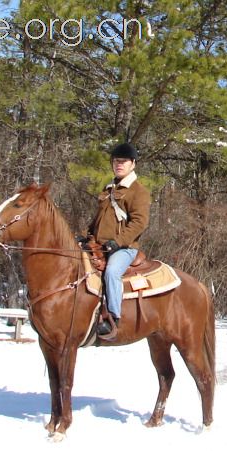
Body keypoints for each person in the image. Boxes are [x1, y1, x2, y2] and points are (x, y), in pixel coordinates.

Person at [87, 142, 151, 339]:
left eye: (123, 161)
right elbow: (98, 219)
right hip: (100, 245)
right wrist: (86, 234)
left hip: (125, 248)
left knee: (112, 272)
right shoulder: (109, 189)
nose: (119, 164)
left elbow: (140, 223)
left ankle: (113, 318)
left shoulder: (138, 191)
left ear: (133, 164)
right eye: (116, 161)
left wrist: (118, 241)